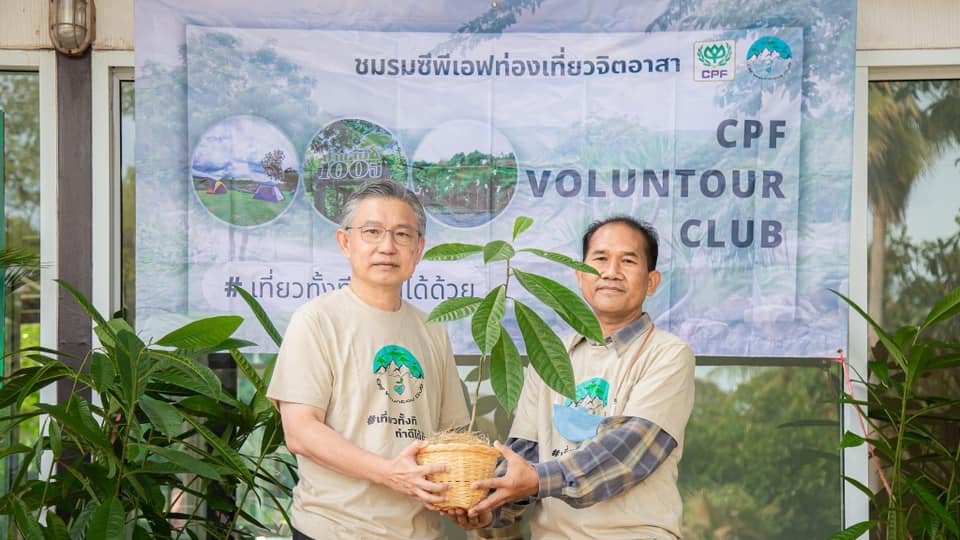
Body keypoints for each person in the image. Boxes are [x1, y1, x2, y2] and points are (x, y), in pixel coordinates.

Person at [451, 216, 696, 539]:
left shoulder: (669, 354)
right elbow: (525, 454)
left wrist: (536, 479)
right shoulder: (550, 354)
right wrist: (487, 507)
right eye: (600, 259)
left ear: (652, 282)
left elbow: (625, 455)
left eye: (628, 261)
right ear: (581, 276)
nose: (611, 272)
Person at [266, 179, 469, 540]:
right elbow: (300, 432)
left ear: (418, 249)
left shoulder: (433, 330)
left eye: (402, 235)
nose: (387, 247)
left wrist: (468, 501)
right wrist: (389, 472)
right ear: (346, 242)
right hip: (333, 530)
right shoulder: (316, 320)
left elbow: (451, 435)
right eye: (372, 232)